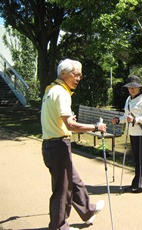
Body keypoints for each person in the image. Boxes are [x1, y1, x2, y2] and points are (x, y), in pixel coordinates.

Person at [41, 59, 106, 230]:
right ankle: (59, 226)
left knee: (74, 180)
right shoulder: (61, 93)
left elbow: (58, 120)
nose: (78, 78)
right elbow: (70, 125)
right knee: (62, 189)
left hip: (51, 145)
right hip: (58, 145)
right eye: (75, 74)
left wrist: (67, 122)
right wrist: (96, 127)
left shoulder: (51, 90)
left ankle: (87, 211)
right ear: (63, 73)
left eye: (80, 75)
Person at [112, 75, 142, 193]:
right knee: (140, 157)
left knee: (138, 159)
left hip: (140, 133)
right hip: (132, 132)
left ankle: (138, 185)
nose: (132, 89)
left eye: (134, 87)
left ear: (139, 88)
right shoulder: (129, 99)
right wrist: (118, 120)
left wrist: (135, 120)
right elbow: (126, 116)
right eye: (130, 87)